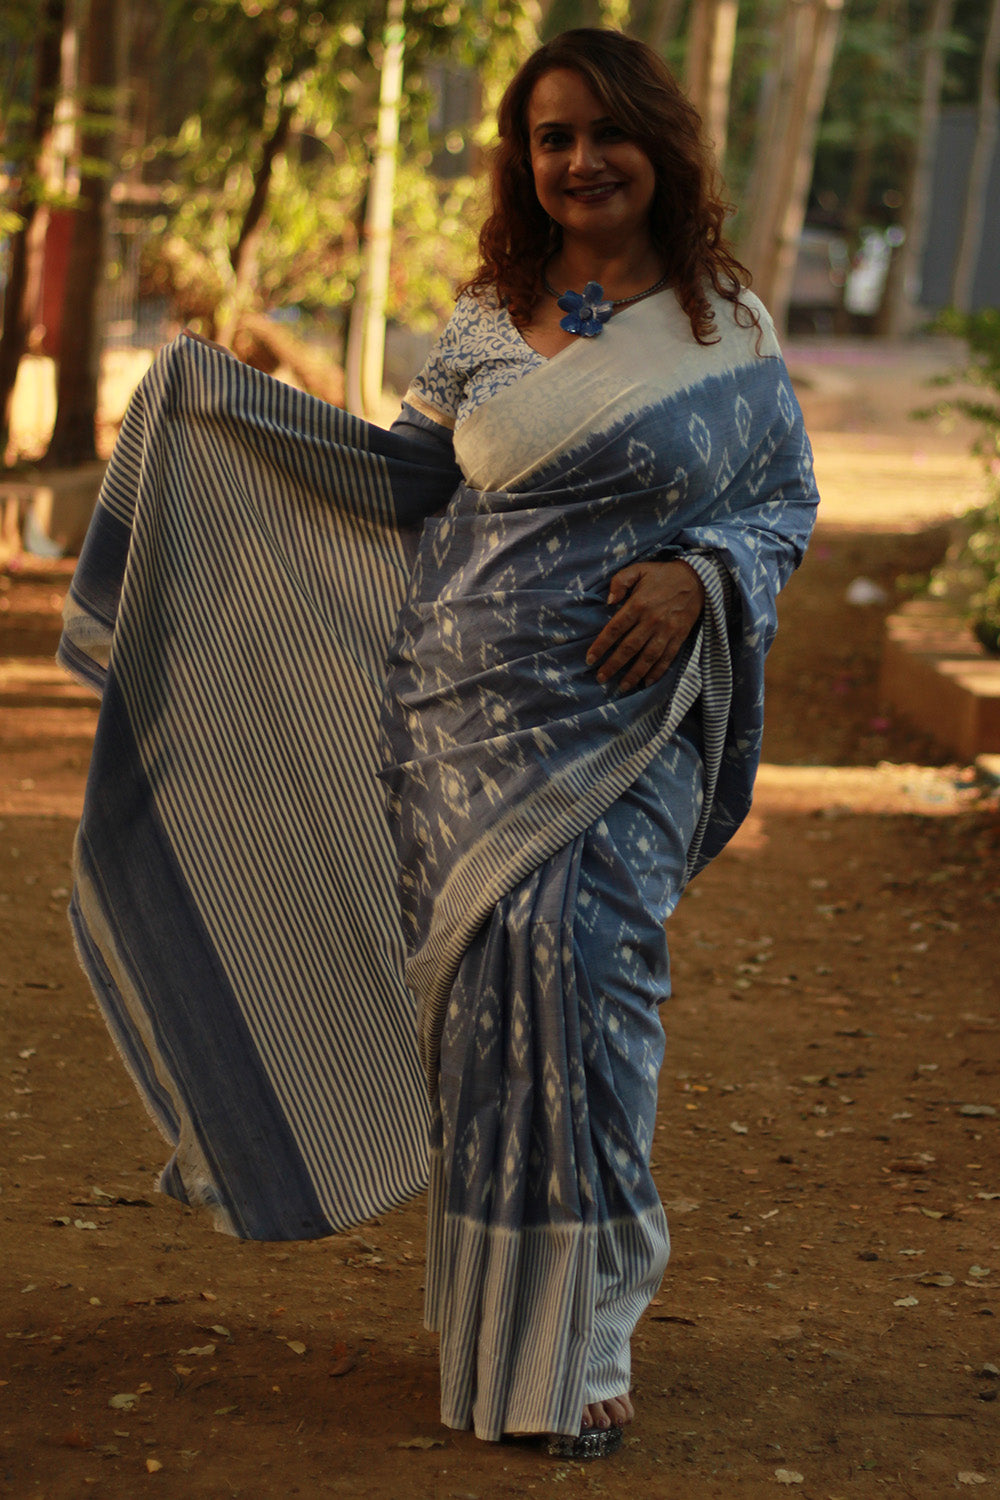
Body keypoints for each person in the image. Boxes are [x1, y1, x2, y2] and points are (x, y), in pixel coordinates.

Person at [60, 27, 818, 1466]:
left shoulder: (731, 331)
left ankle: (587, 1342)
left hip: (619, 734)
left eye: (605, 130)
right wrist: (215, 408)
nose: (581, 158)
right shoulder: (484, 323)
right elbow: (402, 478)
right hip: (455, 736)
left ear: (660, 142)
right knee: (486, 1041)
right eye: (550, 137)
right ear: (527, 163)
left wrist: (704, 573)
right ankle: (497, 1348)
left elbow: (782, 503)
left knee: (592, 1011)